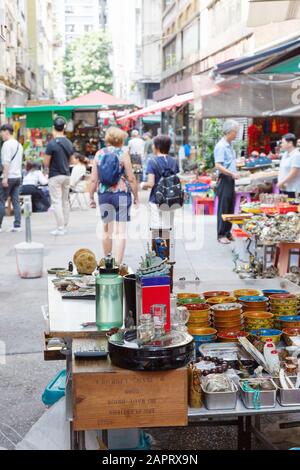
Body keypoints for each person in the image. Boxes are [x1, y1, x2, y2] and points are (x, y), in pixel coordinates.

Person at [89, 127, 138, 265]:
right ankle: (118, 264)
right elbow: (131, 177)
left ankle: (108, 261)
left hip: (104, 194)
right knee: (121, 231)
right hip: (121, 194)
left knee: (106, 229)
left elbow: (93, 179)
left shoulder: (99, 153)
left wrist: (91, 197)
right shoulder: (123, 153)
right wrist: (136, 197)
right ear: (121, 139)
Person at [44, 117, 75, 236]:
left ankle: (60, 227)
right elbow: (72, 160)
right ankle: (64, 225)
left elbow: (46, 162)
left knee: (56, 202)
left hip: (54, 175)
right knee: (65, 201)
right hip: (66, 175)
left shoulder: (51, 144)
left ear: (53, 128)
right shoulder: (68, 142)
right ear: (64, 128)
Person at [141, 135, 180, 228]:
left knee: (157, 226)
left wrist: (142, 184)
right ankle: (168, 242)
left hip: (156, 198)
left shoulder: (152, 161)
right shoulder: (174, 161)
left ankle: (159, 242)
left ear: (157, 147)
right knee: (168, 226)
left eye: (153, 145)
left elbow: (151, 183)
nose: (152, 147)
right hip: (171, 198)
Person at [214, 120, 240, 245]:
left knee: (230, 205)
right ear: (229, 132)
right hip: (225, 179)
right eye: (235, 132)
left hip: (230, 178)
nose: (236, 134)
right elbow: (218, 165)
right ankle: (221, 234)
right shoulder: (221, 146)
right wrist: (231, 173)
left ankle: (227, 232)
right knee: (223, 207)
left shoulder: (229, 145)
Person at [0, 124, 23, 232]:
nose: (1, 135)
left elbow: (6, 162)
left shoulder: (6, 145)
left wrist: (5, 177)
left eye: (1, 132)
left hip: (9, 177)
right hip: (18, 176)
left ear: (6, 132)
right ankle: (17, 225)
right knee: (16, 201)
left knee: (1, 201)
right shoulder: (19, 145)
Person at [277, 133, 300, 198]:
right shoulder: (285, 154)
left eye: (283, 142)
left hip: (292, 189)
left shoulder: (296, 155)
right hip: (284, 187)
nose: (281, 145)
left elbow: (293, 173)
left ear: (290, 143)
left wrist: (282, 182)